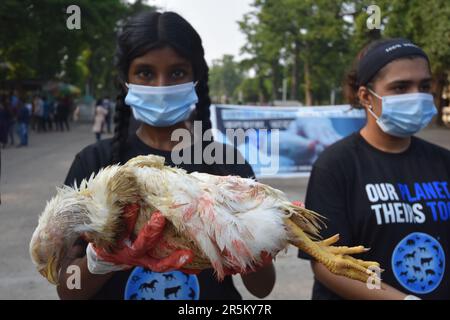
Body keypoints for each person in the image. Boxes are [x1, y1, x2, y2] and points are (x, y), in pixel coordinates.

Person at [57, 11, 275, 300]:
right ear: (125, 80)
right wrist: (103, 259)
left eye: (177, 73)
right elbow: (68, 290)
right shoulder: (93, 165)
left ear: (196, 78)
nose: (161, 87)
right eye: (145, 73)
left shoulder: (227, 167)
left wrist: (243, 238)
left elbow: (263, 288)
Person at [298, 38, 450, 300]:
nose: (417, 96)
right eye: (400, 88)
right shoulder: (335, 166)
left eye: (424, 86)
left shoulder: (443, 162)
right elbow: (327, 264)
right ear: (366, 96)